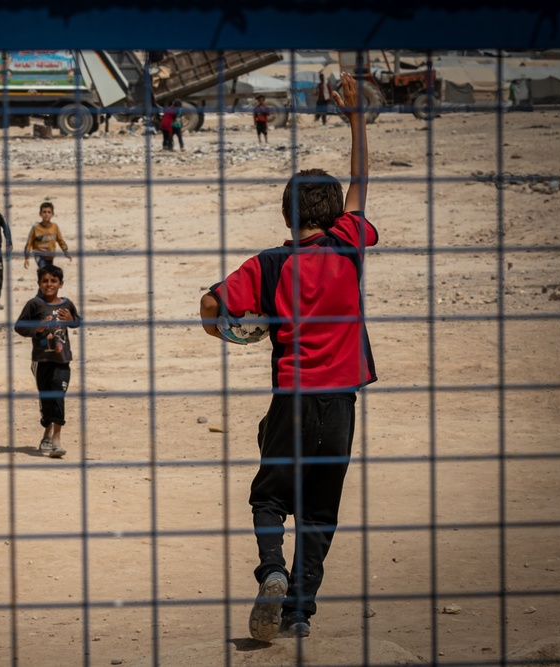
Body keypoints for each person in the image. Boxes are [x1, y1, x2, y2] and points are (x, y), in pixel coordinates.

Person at [198, 72, 374, 642]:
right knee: (322, 509)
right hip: (340, 401)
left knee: (269, 495)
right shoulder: (348, 245)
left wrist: (230, 335)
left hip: (290, 396)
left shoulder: (267, 264)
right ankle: (299, 612)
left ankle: (272, 569)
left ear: (286, 215)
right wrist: (356, 121)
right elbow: (360, 188)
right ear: (331, 214)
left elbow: (210, 306)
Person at [14, 265, 81, 459]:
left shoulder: (67, 304)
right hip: (42, 360)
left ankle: (57, 440)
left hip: (62, 360)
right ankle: (47, 432)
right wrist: (39, 328)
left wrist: (71, 319)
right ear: (39, 284)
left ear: (60, 284)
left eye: (53, 281)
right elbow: (19, 327)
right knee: (46, 398)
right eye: (45, 281)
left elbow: (77, 321)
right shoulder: (34, 304)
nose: (49, 284)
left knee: (58, 396)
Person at [24, 202, 72, 271]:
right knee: (44, 271)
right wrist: (26, 258)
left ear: (52, 214)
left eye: (49, 212)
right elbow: (29, 243)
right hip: (39, 255)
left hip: (50, 256)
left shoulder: (54, 227)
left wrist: (66, 252)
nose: (46, 214)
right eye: (44, 212)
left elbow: (60, 240)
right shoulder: (36, 228)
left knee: (49, 275)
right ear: (40, 214)